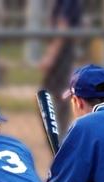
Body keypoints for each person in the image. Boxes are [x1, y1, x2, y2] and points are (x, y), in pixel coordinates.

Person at [39, 0, 82, 138]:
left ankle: (61, 135)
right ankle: (61, 133)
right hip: (64, 50)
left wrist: (50, 56)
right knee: (56, 95)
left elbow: (63, 26)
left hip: (62, 52)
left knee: (52, 95)